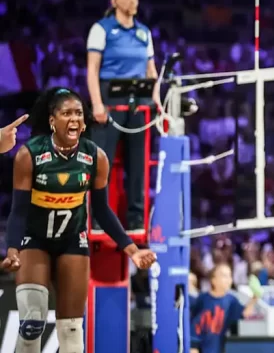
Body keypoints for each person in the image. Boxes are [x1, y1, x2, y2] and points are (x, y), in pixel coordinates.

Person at [1, 87, 157, 353]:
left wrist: (132, 250)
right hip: (34, 240)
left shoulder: (96, 157)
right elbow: (19, 210)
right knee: (32, 325)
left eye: (78, 113)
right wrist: (13, 250)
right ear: (52, 120)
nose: (74, 118)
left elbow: (102, 211)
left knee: (72, 331)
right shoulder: (29, 155)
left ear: (84, 122)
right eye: (66, 113)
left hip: (73, 241)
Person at [86, 0, 160, 232]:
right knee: (103, 163)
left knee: (138, 164)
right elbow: (92, 70)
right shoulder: (102, 29)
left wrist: (156, 100)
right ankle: (98, 220)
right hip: (109, 100)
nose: (133, 1)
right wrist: (97, 104)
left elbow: (151, 71)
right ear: (114, 1)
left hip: (139, 102)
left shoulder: (144, 33)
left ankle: (136, 219)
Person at [190, 264, 261, 353]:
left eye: (230, 276)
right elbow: (194, 326)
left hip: (217, 348)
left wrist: (255, 297)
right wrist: (193, 347)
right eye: (224, 276)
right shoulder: (203, 299)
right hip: (199, 347)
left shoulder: (231, 300)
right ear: (213, 280)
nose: (228, 279)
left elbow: (244, 313)